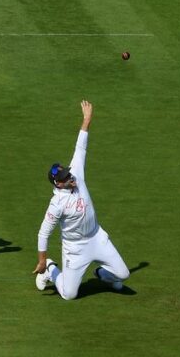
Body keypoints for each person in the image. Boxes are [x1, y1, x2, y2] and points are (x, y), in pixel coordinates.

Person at [33, 100, 130, 300]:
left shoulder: (76, 173)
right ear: (57, 185)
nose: (70, 178)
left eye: (68, 174)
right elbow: (44, 233)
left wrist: (86, 120)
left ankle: (101, 274)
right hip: (75, 249)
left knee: (123, 275)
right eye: (65, 179)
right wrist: (42, 260)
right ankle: (51, 270)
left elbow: (80, 148)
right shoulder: (57, 204)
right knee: (69, 294)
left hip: (97, 238)